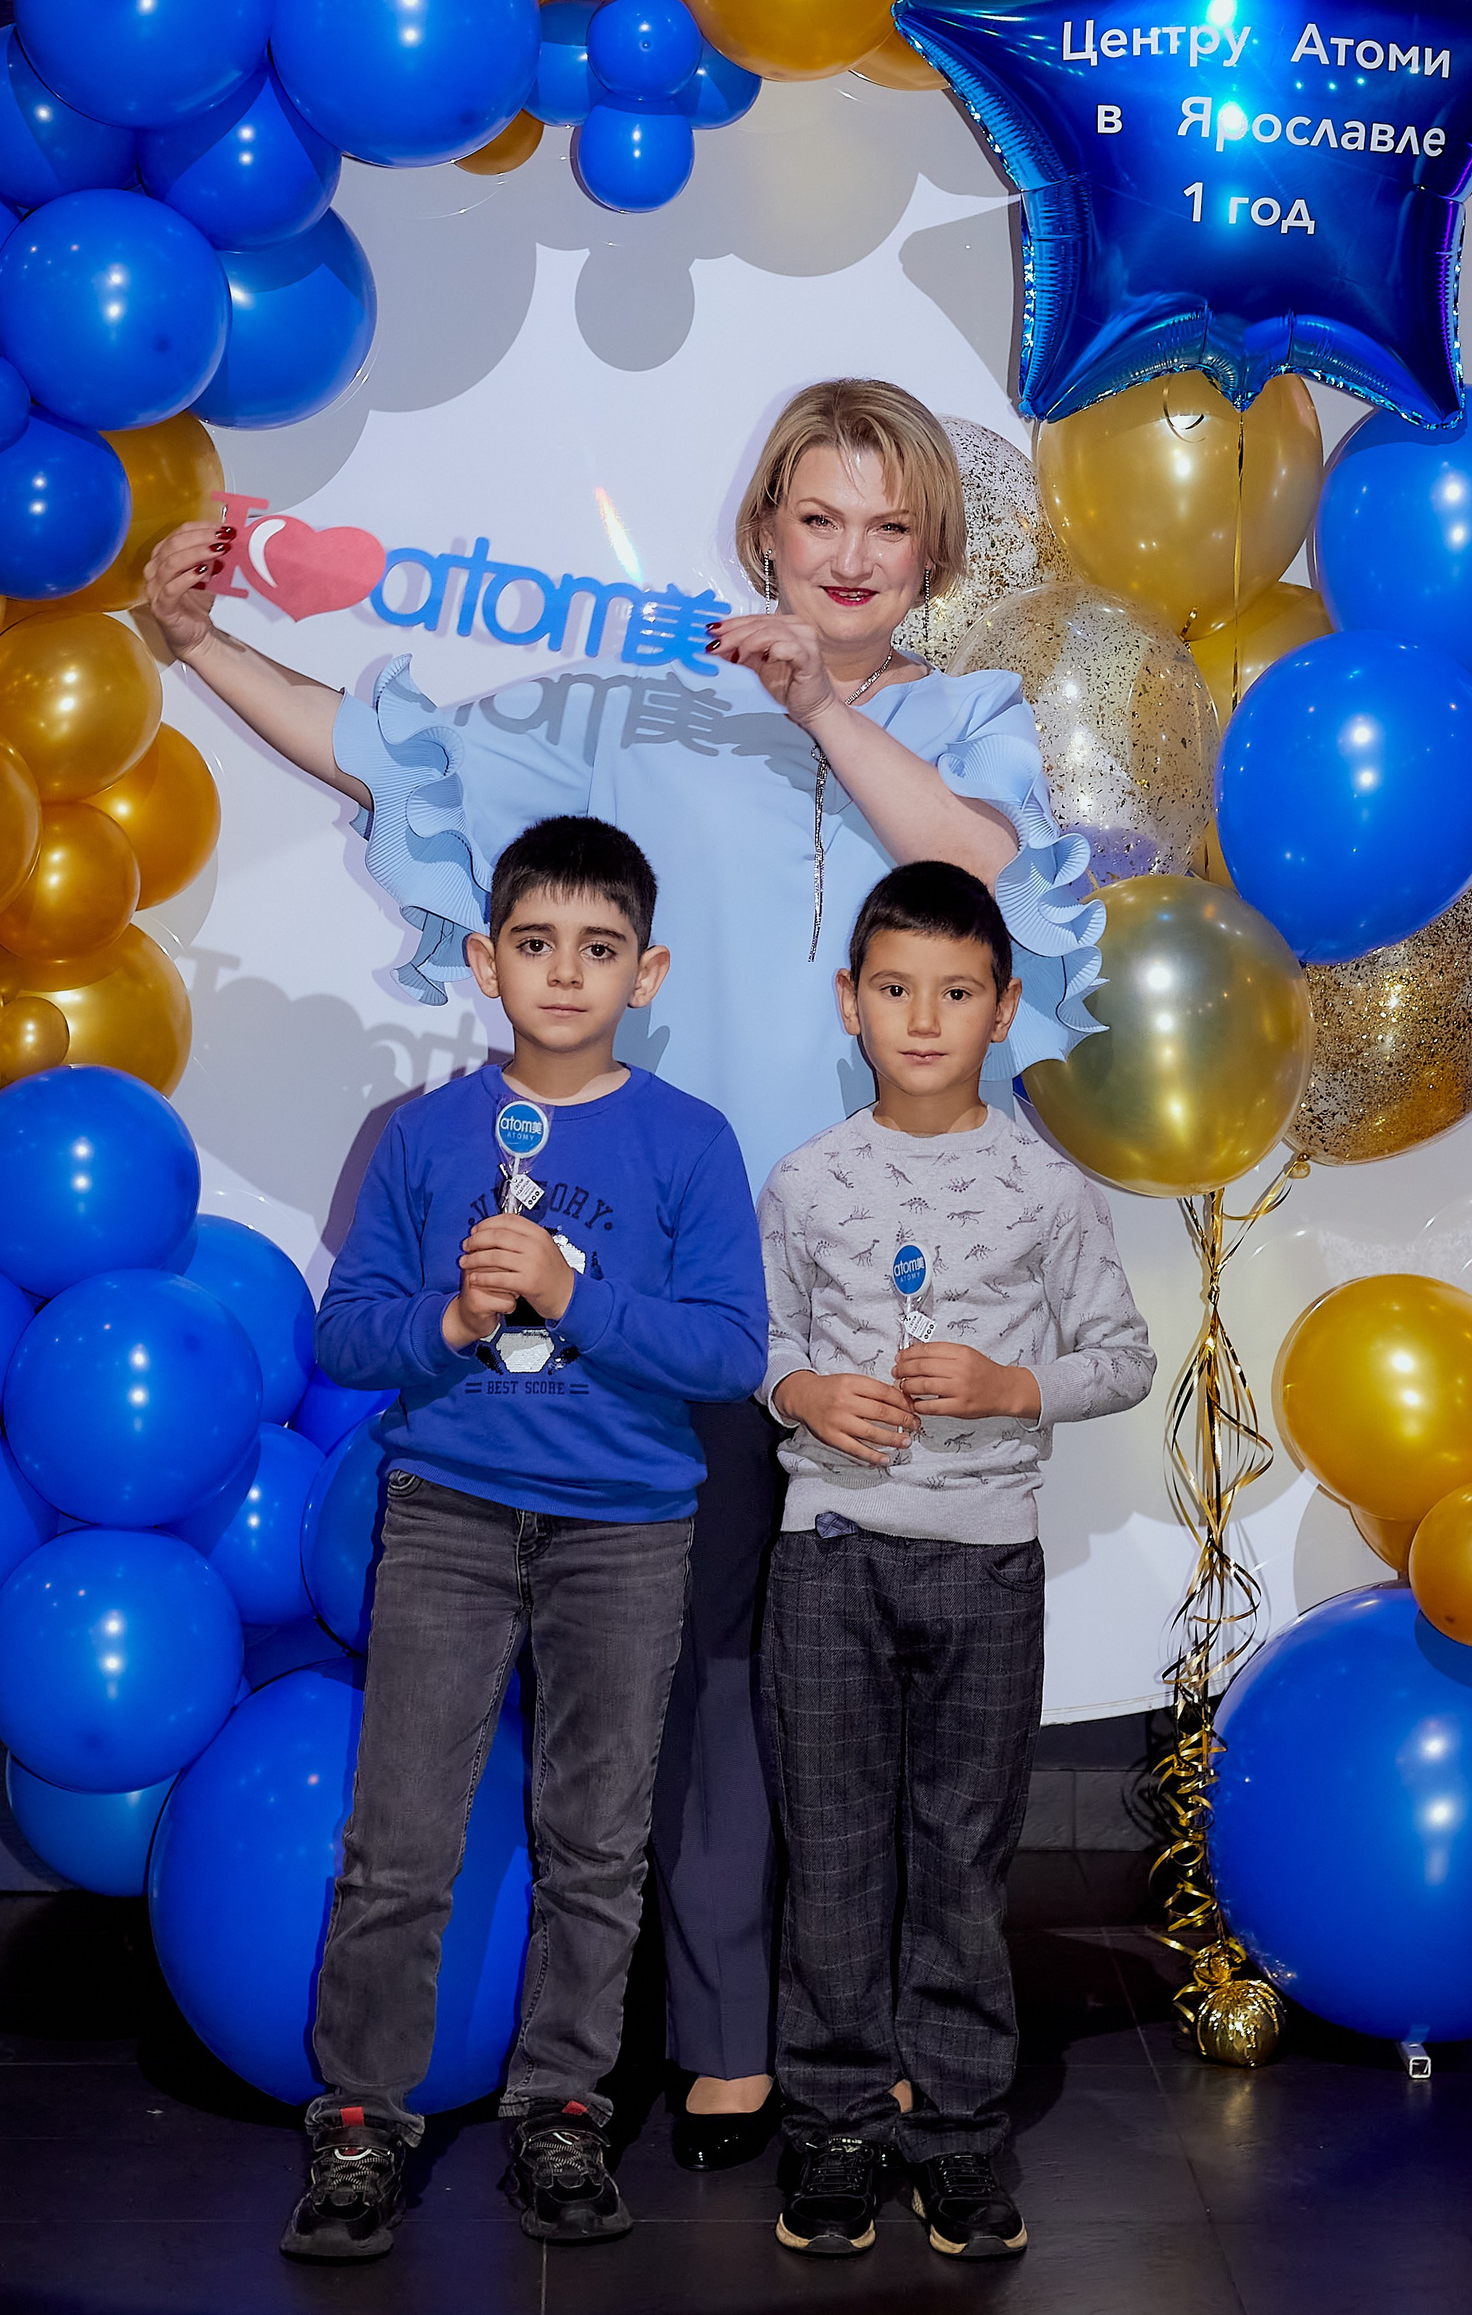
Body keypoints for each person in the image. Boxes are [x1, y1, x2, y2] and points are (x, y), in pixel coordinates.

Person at [140, 382, 1101, 2170]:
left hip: (903, 1275)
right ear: (763, 532)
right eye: (818, 520)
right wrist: (200, 646)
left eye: (888, 529)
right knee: (716, 1669)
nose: (850, 558)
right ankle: (726, 2039)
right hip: (698, 1283)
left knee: (892, 1684)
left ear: (933, 559)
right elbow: (390, 751)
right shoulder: (641, 711)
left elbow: (979, 878)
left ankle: (874, 2036)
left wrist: (824, 710)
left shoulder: (973, 720)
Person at [287, 815, 768, 2260]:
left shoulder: (691, 1141)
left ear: (650, 970)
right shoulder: (426, 1135)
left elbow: (731, 1353)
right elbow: (350, 1333)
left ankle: (563, 2114)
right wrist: (448, 1322)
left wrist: (572, 1291)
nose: (568, 975)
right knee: (399, 1838)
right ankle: (361, 2124)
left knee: (597, 1843)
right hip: (445, 1517)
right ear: (488, 961)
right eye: (538, 945)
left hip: (627, 1531)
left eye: (601, 949)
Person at [756, 861, 1155, 2262]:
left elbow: (1122, 1359)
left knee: (964, 1860)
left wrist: (1007, 1386)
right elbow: (765, 1342)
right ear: (851, 1005)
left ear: (1001, 1012)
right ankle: (835, 2131)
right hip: (829, 1558)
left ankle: (963, 2142)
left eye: (958, 991)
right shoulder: (803, 1181)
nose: (923, 1017)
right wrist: (802, 1396)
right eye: (894, 988)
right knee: (837, 1860)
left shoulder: (1048, 1193)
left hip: (987, 1568)